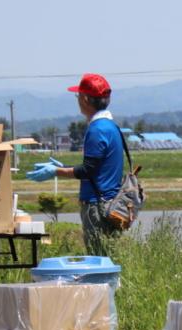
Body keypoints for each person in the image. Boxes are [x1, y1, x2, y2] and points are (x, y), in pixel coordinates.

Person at [26, 73, 125, 257]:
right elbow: (97, 165)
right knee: (109, 256)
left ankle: (106, 287)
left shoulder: (97, 129)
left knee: (99, 258)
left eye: (78, 96)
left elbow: (88, 170)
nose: (78, 100)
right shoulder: (111, 126)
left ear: (86, 99)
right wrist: (65, 166)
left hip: (97, 206)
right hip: (110, 202)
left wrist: (56, 171)